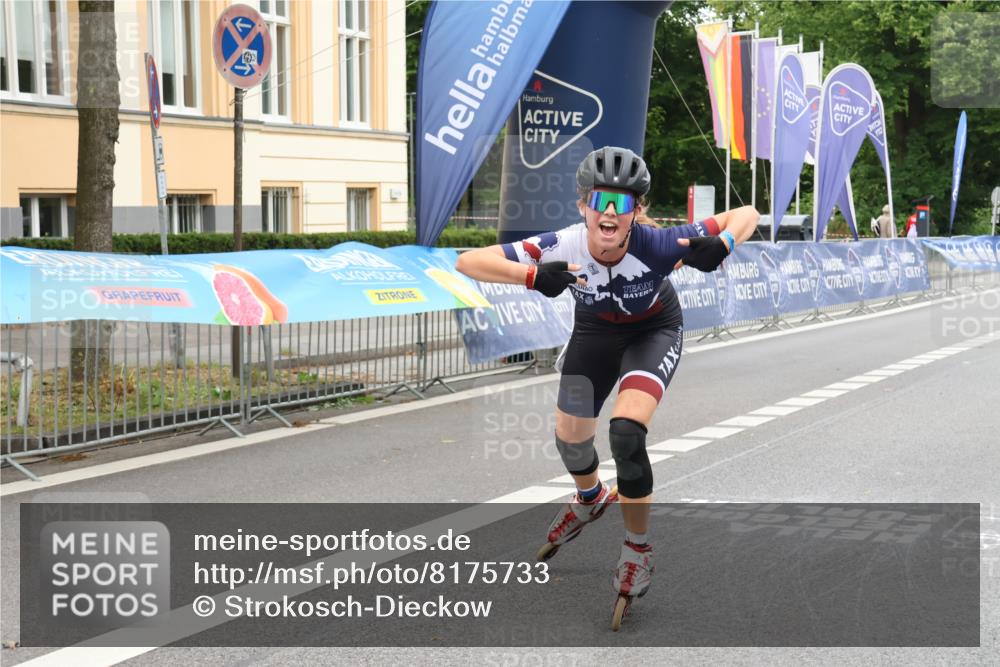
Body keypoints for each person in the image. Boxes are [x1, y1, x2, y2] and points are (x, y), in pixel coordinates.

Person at [455, 146, 760, 612]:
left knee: (625, 432)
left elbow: (747, 212)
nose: (610, 213)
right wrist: (532, 275)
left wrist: (724, 244)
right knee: (570, 440)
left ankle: (637, 550)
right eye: (601, 201)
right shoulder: (563, 244)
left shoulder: (660, 244)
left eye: (623, 204)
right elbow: (469, 262)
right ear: (583, 207)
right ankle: (591, 496)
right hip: (594, 335)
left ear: (639, 211)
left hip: (651, 332)